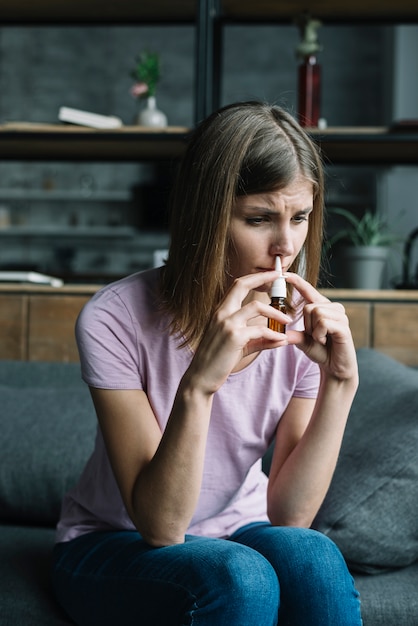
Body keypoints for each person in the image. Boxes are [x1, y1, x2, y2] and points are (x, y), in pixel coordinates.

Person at [52, 101, 362, 626]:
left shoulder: (299, 326)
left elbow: (290, 518)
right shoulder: (114, 319)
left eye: (301, 217)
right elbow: (162, 527)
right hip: (112, 540)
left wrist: (340, 381)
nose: (285, 246)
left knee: (313, 557)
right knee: (239, 577)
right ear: (207, 217)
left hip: (237, 530)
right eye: (259, 219)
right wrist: (198, 385)